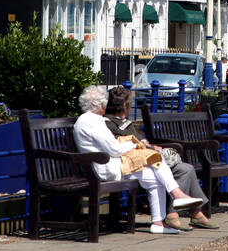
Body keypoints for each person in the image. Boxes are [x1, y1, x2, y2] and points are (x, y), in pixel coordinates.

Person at [73, 85, 204, 234]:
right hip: (105, 169)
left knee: (155, 176)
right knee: (156, 158)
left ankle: (158, 222)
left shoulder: (89, 120)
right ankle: (177, 195)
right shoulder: (93, 122)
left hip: (109, 165)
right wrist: (133, 143)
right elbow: (115, 150)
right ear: (101, 105)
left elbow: (112, 147)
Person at [103, 86, 218, 230]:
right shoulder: (108, 124)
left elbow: (138, 141)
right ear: (125, 106)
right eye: (129, 104)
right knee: (181, 170)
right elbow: (122, 146)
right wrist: (148, 147)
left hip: (147, 160)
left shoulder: (124, 122)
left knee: (185, 168)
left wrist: (149, 145)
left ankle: (194, 213)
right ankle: (173, 214)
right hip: (137, 164)